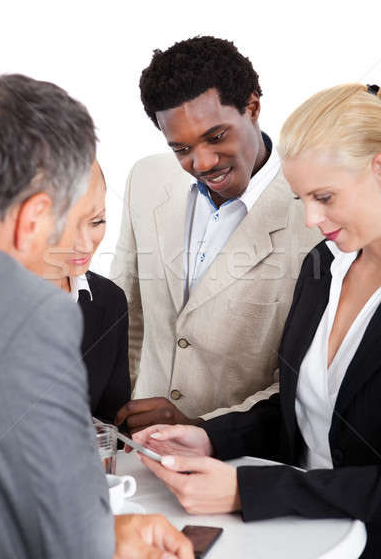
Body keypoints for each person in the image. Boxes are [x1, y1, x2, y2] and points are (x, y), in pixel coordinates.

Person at [133, 83, 381, 558]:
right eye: (302, 198)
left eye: (325, 197)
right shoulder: (326, 266)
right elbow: (301, 415)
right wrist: (208, 436)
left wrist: (250, 490)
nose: (310, 218)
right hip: (301, 541)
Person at [0, 73, 192, 559]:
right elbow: (65, 535)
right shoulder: (32, 317)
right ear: (33, 218)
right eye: (71, 220)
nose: (83, 244)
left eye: (97, 220)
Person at [113, 35, 320, 432]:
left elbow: (301, 382)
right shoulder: (146, 178)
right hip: (137, 449)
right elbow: (128, 316)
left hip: (241, 463)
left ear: (253, 107)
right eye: (181, 148)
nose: (203, 162)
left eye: (216, 136)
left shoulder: (316, 218)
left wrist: (204, 428)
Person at [43, 160, 131, 422]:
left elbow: (109, 428)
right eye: (65, 227)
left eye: (97, 221)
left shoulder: (109, 300)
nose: (83, 245)